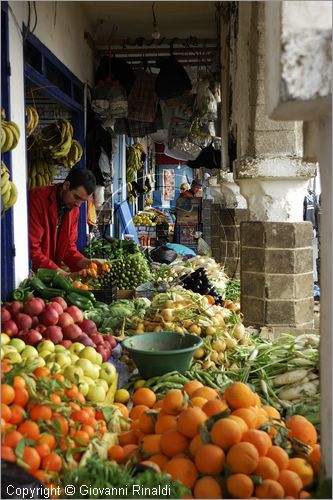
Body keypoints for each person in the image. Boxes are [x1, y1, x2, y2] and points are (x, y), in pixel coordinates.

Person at [29, 168, 98, 277]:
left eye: (82, 201)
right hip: (32, 276)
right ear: (66, 186)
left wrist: (85, 262)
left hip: (50, 275)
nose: (78, 205)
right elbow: (32, 251)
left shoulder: (74, 208)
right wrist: (64, 275)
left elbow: (68, 248)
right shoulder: (37, 200)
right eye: (76, 197)